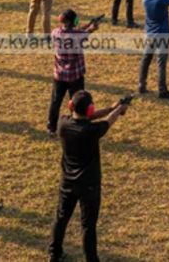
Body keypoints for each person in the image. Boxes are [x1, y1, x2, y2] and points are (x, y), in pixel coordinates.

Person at [48, 90, 129, 262]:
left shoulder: (62, 123)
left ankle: (54, 254)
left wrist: (111, 108)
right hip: (89, 186)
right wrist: (118, 109)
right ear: (90, 109)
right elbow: (109, 122)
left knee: (61, 218)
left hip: (67, 182)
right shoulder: (91, 131)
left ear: (71, 106)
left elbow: (90, 118)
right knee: (88, 226)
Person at [47, 9, 101, 135]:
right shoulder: (78, 35)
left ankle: (51, 128)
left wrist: (87, 25)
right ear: (74, 21)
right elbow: (85, 33)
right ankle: (76, 127)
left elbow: (75, 32)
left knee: (55, 101)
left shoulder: (55, 33)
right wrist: (92, 27)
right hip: (75, 76)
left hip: (59, 75)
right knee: (77, 104)